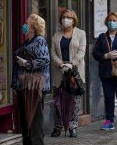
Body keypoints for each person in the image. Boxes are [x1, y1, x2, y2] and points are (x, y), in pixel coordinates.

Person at [11, 14, 50, 145]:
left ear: (34, 26)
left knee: (35, 119)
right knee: (25, 120)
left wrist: (27, 63)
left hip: (36, 86)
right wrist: (15, 85)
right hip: (25, 85)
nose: (25, 25)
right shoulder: (28, 41)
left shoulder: (40, 40)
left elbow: (45, 60)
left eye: (27, 23)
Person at [50, 8, 86, 137]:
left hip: (74, 73)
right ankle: (58, 127)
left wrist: (71, 64)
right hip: (59, 71)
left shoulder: (81, 33)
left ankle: (73, 127)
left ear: (74, 20)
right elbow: (52, 52)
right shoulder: (56, 35)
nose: (66, 19)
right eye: (64, 17)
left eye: (69, 17)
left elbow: (81, 52)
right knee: (58, 101)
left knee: (75, 101)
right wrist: (60, 63)